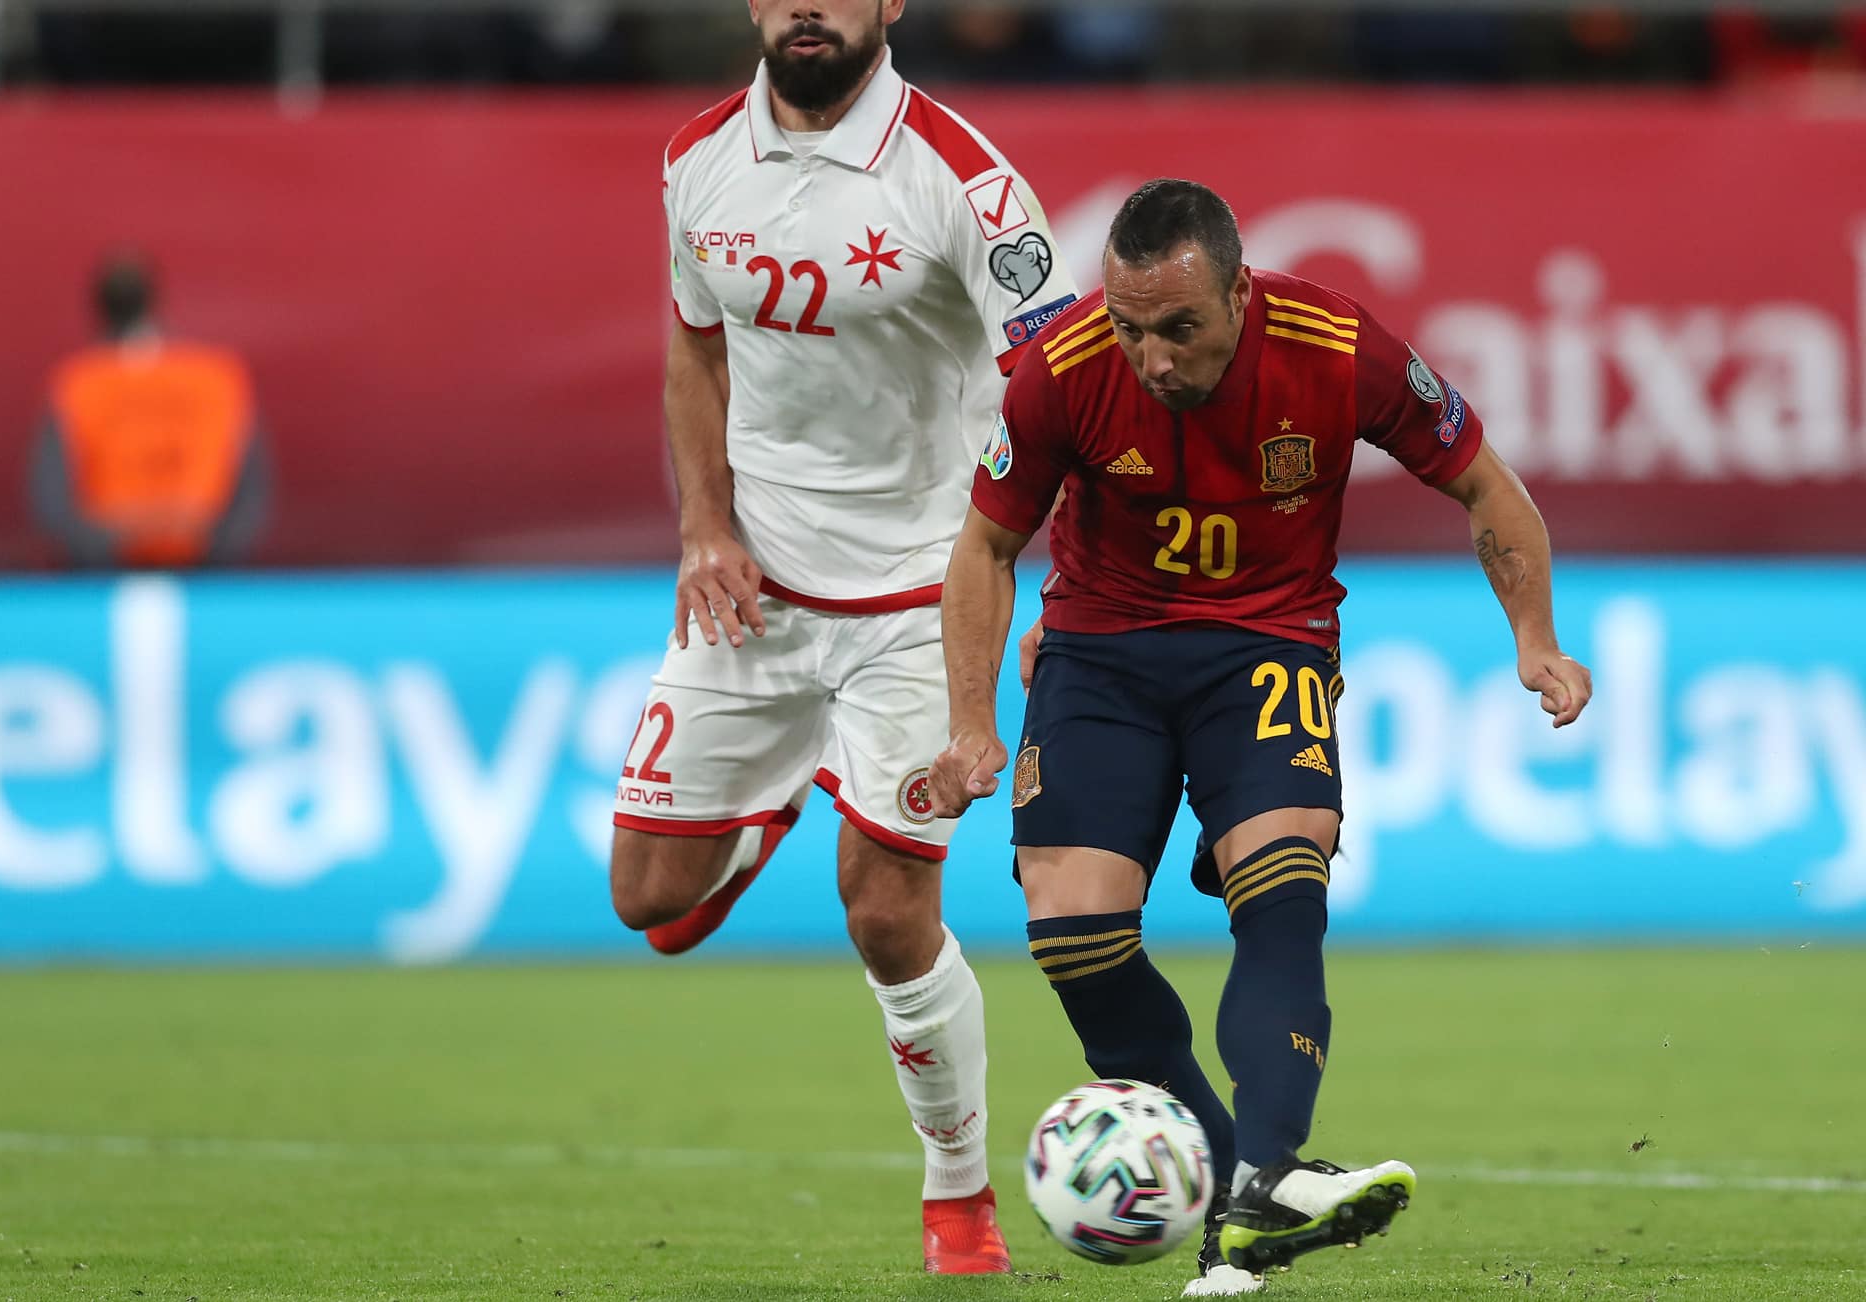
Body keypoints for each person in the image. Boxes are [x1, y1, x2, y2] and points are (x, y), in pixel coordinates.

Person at [929, 179, 1592, 1295]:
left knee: (1280, 885)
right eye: (1133, 328)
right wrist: (969, 726)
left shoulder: (1338, 351)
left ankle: (1258, 1186)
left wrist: (1535, 641)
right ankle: (1253, 1185)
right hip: (1101, 654)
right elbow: (984, 550)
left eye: (1179, 327)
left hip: (1265, 646)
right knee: (1075, 938)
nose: (1152, 357)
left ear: (1239, 291)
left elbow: (1483, 483)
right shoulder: (1064, 370)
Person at [607, 0, 1079, 1275]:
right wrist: (706, 527)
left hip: (924, 599)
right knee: (644, 899)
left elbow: (1065, 398)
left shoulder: (968, 187)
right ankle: (772, 801)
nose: (808, 5)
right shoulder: (693, 161)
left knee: (882, 911)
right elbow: (694, 357)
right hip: (755, 593)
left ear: (889, 5)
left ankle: (958, 1200)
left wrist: (1063, 599)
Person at [31, 252, 271, 569]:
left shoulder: (79, 384)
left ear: (99, 310)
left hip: (105, 564)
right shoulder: (215, 378)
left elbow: (51, 495)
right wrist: (220, 543)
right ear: (156, 303)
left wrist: (95, 543)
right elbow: (252, 480)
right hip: (204, 558)